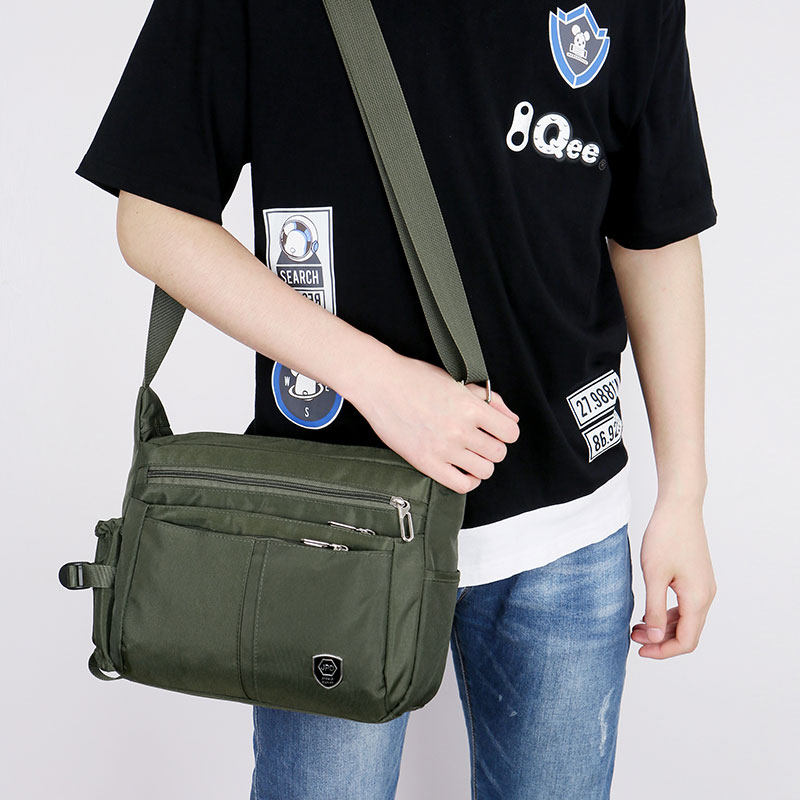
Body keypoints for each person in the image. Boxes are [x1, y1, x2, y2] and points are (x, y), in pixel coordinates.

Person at [74, 0, 718, 797]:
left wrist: (684, 494)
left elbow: (653, 231)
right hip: (328, 528)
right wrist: (377, 381)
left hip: (569, 534)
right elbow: (152, 216)